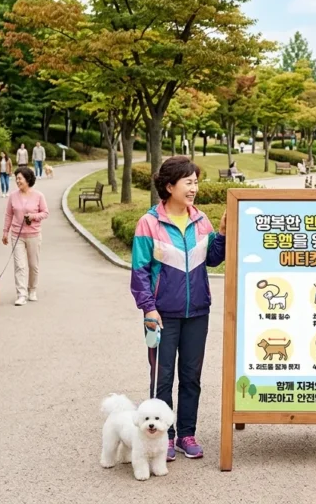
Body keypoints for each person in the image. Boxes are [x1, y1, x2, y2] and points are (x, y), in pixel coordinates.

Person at [130, 156, 227, 461]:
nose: (194, 188)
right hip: (162, 314)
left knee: (191, 376)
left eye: (196, 182)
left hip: (198, 311)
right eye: (188, 182)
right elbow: (140, 271)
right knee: (162, 377)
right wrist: (148, 308)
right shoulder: (149, 223)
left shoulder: (201, 220)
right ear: (169, 186)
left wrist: (222, 234)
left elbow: (212, 258)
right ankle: (164, 438)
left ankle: (186, 433)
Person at [2, 167, 49, 306]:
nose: (17, 181)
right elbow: (9, 214)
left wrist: (33, 216)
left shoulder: (39, 196)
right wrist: (5, 231)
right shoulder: (12, 196)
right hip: (17, 235)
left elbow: (45, 213)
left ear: (28, 179)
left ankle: (32, 290)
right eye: (16, 179)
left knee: (33, 265)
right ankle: (21, 294)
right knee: (19, 266)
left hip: (34, 235)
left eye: (20, 178)